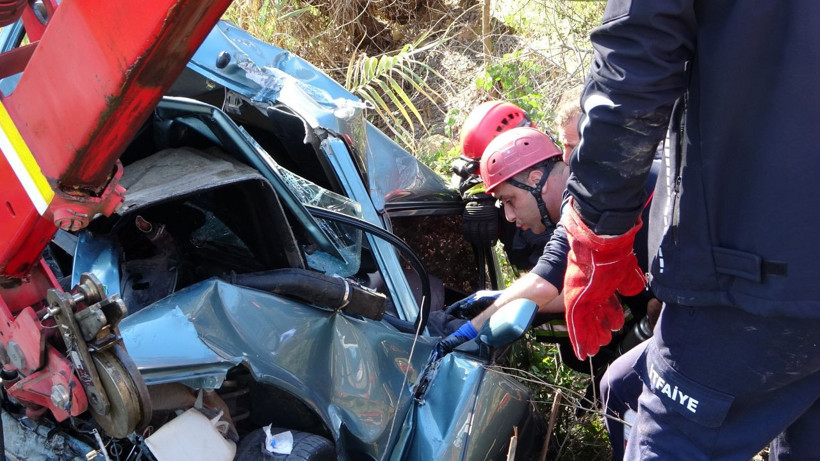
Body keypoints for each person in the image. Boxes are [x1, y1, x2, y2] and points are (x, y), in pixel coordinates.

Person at [563, 1, 820, 459]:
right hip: (773, 271)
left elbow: (635, 60)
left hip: (751, 266)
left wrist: (596, 231)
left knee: (670, 441)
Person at [436, 126, 659, 374]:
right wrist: (498, 299)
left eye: (510, 200)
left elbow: (544, 281)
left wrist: (467, 331)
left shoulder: (590, 199)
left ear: (535, 180)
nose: (509, 216)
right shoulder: (586, 188)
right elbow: (568, 283)